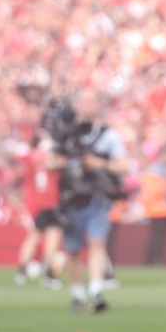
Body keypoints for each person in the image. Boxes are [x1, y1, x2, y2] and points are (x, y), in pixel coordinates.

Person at [51, 88, 127, 313]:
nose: (87, 106)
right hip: (71, 197)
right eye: (83, 102)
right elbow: (51, 162)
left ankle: (96, 291)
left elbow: (123, 165)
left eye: (91, 102)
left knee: (96, 242)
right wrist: (70, 160)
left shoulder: (107, 135)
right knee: (73, 248)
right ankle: (77, 295)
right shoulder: (65, 134)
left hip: (97, 197)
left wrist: (99, 164)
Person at [14, 134, 64, 287]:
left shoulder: (30, 156)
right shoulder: (51, 156)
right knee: (52, 237)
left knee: (33, 236)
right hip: (51, 201)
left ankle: (21, 271)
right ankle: (49, 274)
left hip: (34, 201)